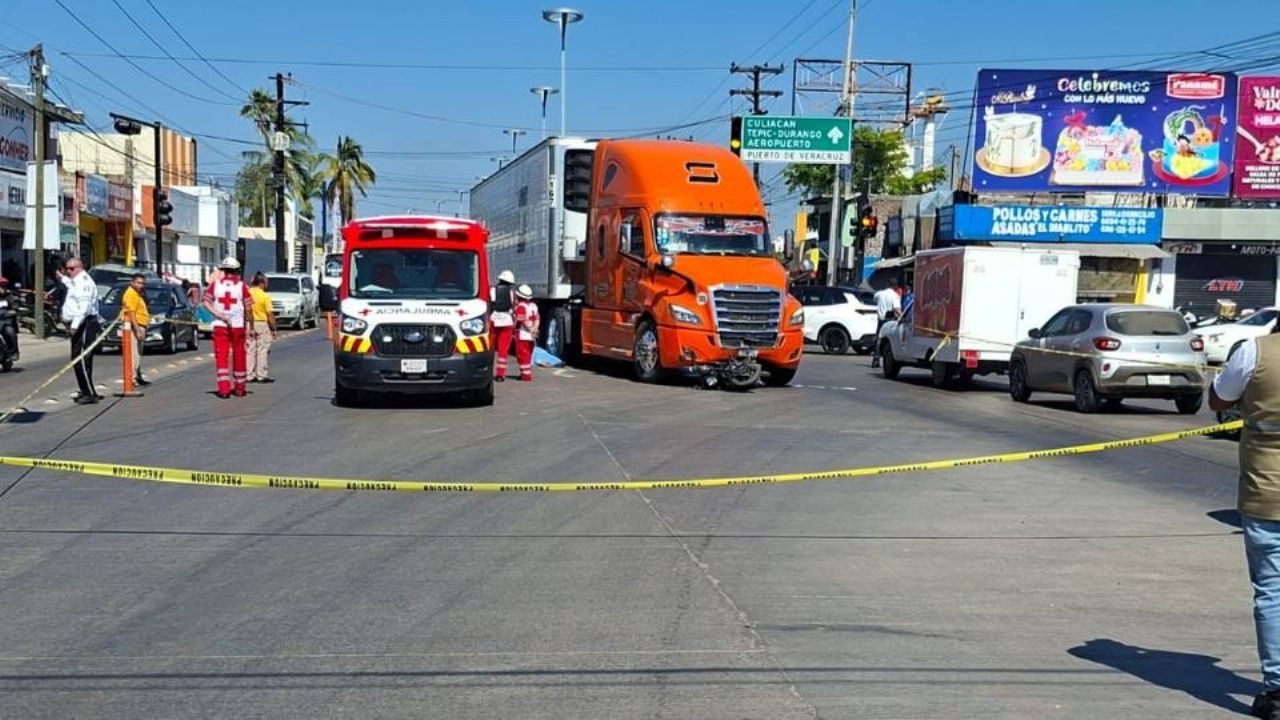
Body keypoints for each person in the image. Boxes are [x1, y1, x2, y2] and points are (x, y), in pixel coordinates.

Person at [1212, 330, 1280, 719]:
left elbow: (1218, 398)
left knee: (1272, 592)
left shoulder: (1255, 351)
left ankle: (1277, 692)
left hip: (1266, 493)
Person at [203, 257, 253, 399]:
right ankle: (240, 388)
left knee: (221, 356)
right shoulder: (242, 286)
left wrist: (220, 315)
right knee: (239, 355)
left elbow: (206, 303)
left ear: (223, 270)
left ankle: (224, 389)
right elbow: (248, 308)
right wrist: (250, 325)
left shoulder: (215, 285)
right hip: (238, 325)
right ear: (237, 271)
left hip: (220, 325)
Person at [56, 258, 101, 405]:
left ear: (80, 267)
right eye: (67, 269)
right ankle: (86, 389)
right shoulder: (77, 281)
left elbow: (84, 308)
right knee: (77, 358)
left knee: (81, 358)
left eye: (71, 268)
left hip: (84, 323)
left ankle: (89, 393)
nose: (68, 271)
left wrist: (74, 326)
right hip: (80, 322)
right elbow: (72, 287)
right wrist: (63, 279)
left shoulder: (84, 283)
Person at [120, 273, 151, 387]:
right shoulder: (131, 294)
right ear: (132, 282)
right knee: (134, 353)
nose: (141, 285)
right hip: (135, 325)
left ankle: (137, 376)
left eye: (142, 283)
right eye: (138, 283)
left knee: (138, 353)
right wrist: (137, 329)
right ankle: (132, 378)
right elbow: (131, 313)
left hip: (141, 324)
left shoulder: (137, 294)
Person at [247, 272, 278, 383]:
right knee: (262, 349)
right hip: (261, 323)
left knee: (250, 350)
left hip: (249, 323)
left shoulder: (248, 293)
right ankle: (261, 374)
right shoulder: (264, 296)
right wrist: (274, 328)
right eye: (266, 282)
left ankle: (249, 374)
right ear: (262, 283)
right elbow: (269, 314)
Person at [490, 269, 516, 382]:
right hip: (507, 321)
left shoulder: (492, 290)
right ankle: (500, 374)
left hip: (494, 319)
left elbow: (490, 304)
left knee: (490, 347)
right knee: (503, 350)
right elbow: (513, 306)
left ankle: (487, 371)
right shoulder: (511, 292)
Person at [870, 278, 902, 369]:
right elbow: (896, 309)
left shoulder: (879, 293)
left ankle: (876, 359)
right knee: (889, 340)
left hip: (881, 320)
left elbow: (874, 299)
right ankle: (888, 359)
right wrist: (902, 316)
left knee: (878, 339)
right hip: (889, 319)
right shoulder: (895, 296)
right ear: (896, 286)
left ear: (888, 284)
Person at [514, 284, 539, 382]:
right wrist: (535, 329)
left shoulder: (520, 307)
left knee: (522, 355)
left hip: (523, 334)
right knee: (528, 354)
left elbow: (522, 320)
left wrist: (530, 329)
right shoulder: (534, 306)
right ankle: (527, 373)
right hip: (532, 336)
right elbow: (537, 318)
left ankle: (525, 375)